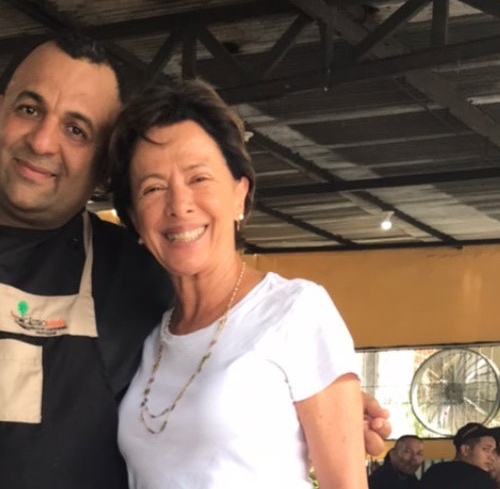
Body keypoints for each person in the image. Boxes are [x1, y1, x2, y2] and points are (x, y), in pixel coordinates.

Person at [0, 33, 389, 488]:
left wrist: (316, 407)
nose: (43, 141)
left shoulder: (140, 276)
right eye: (29, 109)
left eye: (76, 129)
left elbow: (224, 367)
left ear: (99, 167)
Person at [108, 79, 368, 488]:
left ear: (239, 194)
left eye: (199, 178)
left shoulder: (296, 311)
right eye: (153, 188)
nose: (179, 205)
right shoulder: (150, 337)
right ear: (135, 219)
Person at [419, 422, 496, 489]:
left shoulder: (433, 472)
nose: (492, 457)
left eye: (493, 451)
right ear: (465, 450)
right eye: (486, 449)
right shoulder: (482, 481)